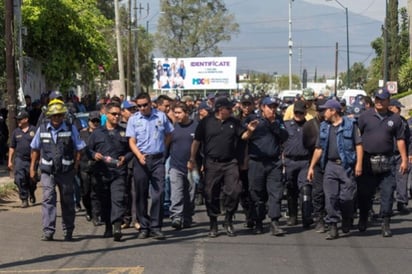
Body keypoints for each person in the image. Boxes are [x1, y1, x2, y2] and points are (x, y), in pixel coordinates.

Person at [188, 96, 256, 237]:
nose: (232, 110)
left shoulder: (234, 122)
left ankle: (228, 220)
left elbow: (243, 136)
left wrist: (249, 131)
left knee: (235, 190)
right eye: (229, 108)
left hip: (230, 162)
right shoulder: (206, 122)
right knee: (210, 193)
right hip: (212, 163)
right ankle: (213, 223)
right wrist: (192, 158)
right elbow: (196, 141)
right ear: (220, 109)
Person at [30, 99, 86, 241]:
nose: (57, 118)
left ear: (63, 116)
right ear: (49, 116)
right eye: (54, 116)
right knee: (48, 198)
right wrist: (32, 168)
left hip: (66, 171)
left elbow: (79, 148)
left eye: (60, 115)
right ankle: (48, 231)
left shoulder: (69, 127)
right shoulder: (41, 129)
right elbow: (35, 149)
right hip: (47, 171)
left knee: (67, 200)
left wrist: (75, 166)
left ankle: (68, 230)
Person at [307, 99, 363, 240]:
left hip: (346, 166)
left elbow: (359, 145)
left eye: (325, 110)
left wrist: (359, 164)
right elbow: (318, 148)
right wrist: (312, 167)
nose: (323, 112)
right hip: (330, 166)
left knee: (347, 197)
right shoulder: (324, 127)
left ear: (333, 111)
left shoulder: (350, 125)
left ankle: (346, 218)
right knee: (330, 197)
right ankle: (332, 225)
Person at [357, 88, 408, 237]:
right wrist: (357, 161)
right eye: (377, 99)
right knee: (365, 193)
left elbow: (400, 140)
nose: (379, 102)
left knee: (387, 193)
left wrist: (404, 159)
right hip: (367, 161)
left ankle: (385, 222)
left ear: (388, 100)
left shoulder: (396, 119)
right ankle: (363, 217)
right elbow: (357, 139)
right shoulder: (365, 116)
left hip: (387, 161)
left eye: (382, 99)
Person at [126, 92, 174, 240]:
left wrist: (163, 150)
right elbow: (131, 141)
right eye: (139, 106)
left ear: (150, 103)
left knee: (158, 194)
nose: (142, 108)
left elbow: (169, 134)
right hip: (141, 160)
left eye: (145, 105)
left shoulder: (161, 116)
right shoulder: (134, 120)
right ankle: (144, 226)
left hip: (157, 159)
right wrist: (139, 156)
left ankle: (156, 226)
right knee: (140, 194)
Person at [243, 97, 288, 235]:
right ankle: (258, 221)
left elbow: (284, 136)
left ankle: (274, 222)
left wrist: (274, 123)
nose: (272, 109)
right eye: (270, 106)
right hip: (256, 162)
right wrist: (250, 130)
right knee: (256, 192)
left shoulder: (278, 120)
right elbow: (243, 137)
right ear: (262, 107)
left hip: (273, 162)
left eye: (274, 107)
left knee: (276, 192)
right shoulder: (252, 119)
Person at [88, 102, 133, 241]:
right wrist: (94, 155)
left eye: (118, 114)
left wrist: (125, 158)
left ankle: (117, 226)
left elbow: (131, 150)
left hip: (118, 171)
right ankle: (108, 225)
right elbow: (88, 149)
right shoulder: (97, 133)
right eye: (113, 114)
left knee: (118, 199)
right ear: (106, 115)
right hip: (102, 172)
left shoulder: (124, 131)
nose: (116, 116)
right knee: (105, 201)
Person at [168, 102, 198, 229]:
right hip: (175, 165)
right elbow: (166, 145)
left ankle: (187, 217)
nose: (177, 115)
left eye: (179, 112)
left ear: (186, 113)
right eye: (175, 113)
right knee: (176, 193)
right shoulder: (172, 127)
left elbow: (202, 146)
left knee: (190, 194)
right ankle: (176, 217)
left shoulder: (196, 127)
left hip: (192, 167)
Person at [283, 101, 312, 228]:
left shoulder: (310, 126)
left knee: (305, 188)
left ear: (305, 112)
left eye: (301, 112)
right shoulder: (286, 125)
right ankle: (293, 215)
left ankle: (307, 216)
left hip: (305, 161)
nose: (298, 115)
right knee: (291, 189)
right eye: (296, 112)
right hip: (289, 161)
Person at [78, 111, 102, 225]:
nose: (95, 123)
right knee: (85, 192)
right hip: (84, 166)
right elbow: (78, 149)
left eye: (97, 121)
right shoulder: (82, 134)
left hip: (97, 167)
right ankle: (88, 209)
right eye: (93, 121)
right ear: (89, 122)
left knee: (96, 191)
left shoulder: (103, 133)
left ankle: (96, 215)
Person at [8, 110, 37, 208]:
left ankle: (32, 191)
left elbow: (39, 146)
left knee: (32, 180)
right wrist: (10, 161)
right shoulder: (16, 132)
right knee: (19, 179)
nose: (18, 121)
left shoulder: (34, 130)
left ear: (26, 119)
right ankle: (24, 199)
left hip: (32, 160)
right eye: (17, 119)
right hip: (20, 159)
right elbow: (12, 147)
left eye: (20, 119)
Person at [388, 99, 410, 215]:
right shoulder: (385, 120)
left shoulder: (403, 121)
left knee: (402, 178)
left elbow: (408, 139)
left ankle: (401, 203)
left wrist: (408, 154)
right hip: (387, 154)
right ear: (391, 108)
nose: (400, 110)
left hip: (400, 154)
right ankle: (388, 205)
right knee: (388, 181)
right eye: (398, 108)